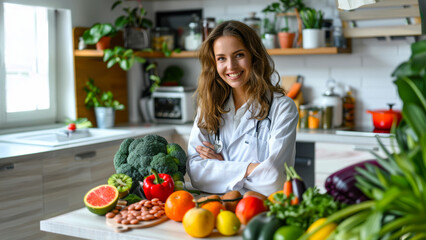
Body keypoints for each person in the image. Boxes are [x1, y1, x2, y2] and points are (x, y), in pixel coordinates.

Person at [186, 20, 299, 196]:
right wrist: (250, 168)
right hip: (219, 209)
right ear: (214, 64)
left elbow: (275, 180)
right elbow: (196, 173)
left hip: (263, 212)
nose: (231, 66)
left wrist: (221, 168)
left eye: (239, 55)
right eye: (221, 58)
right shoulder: (208, 106)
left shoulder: (282, 108)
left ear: (254, 56)